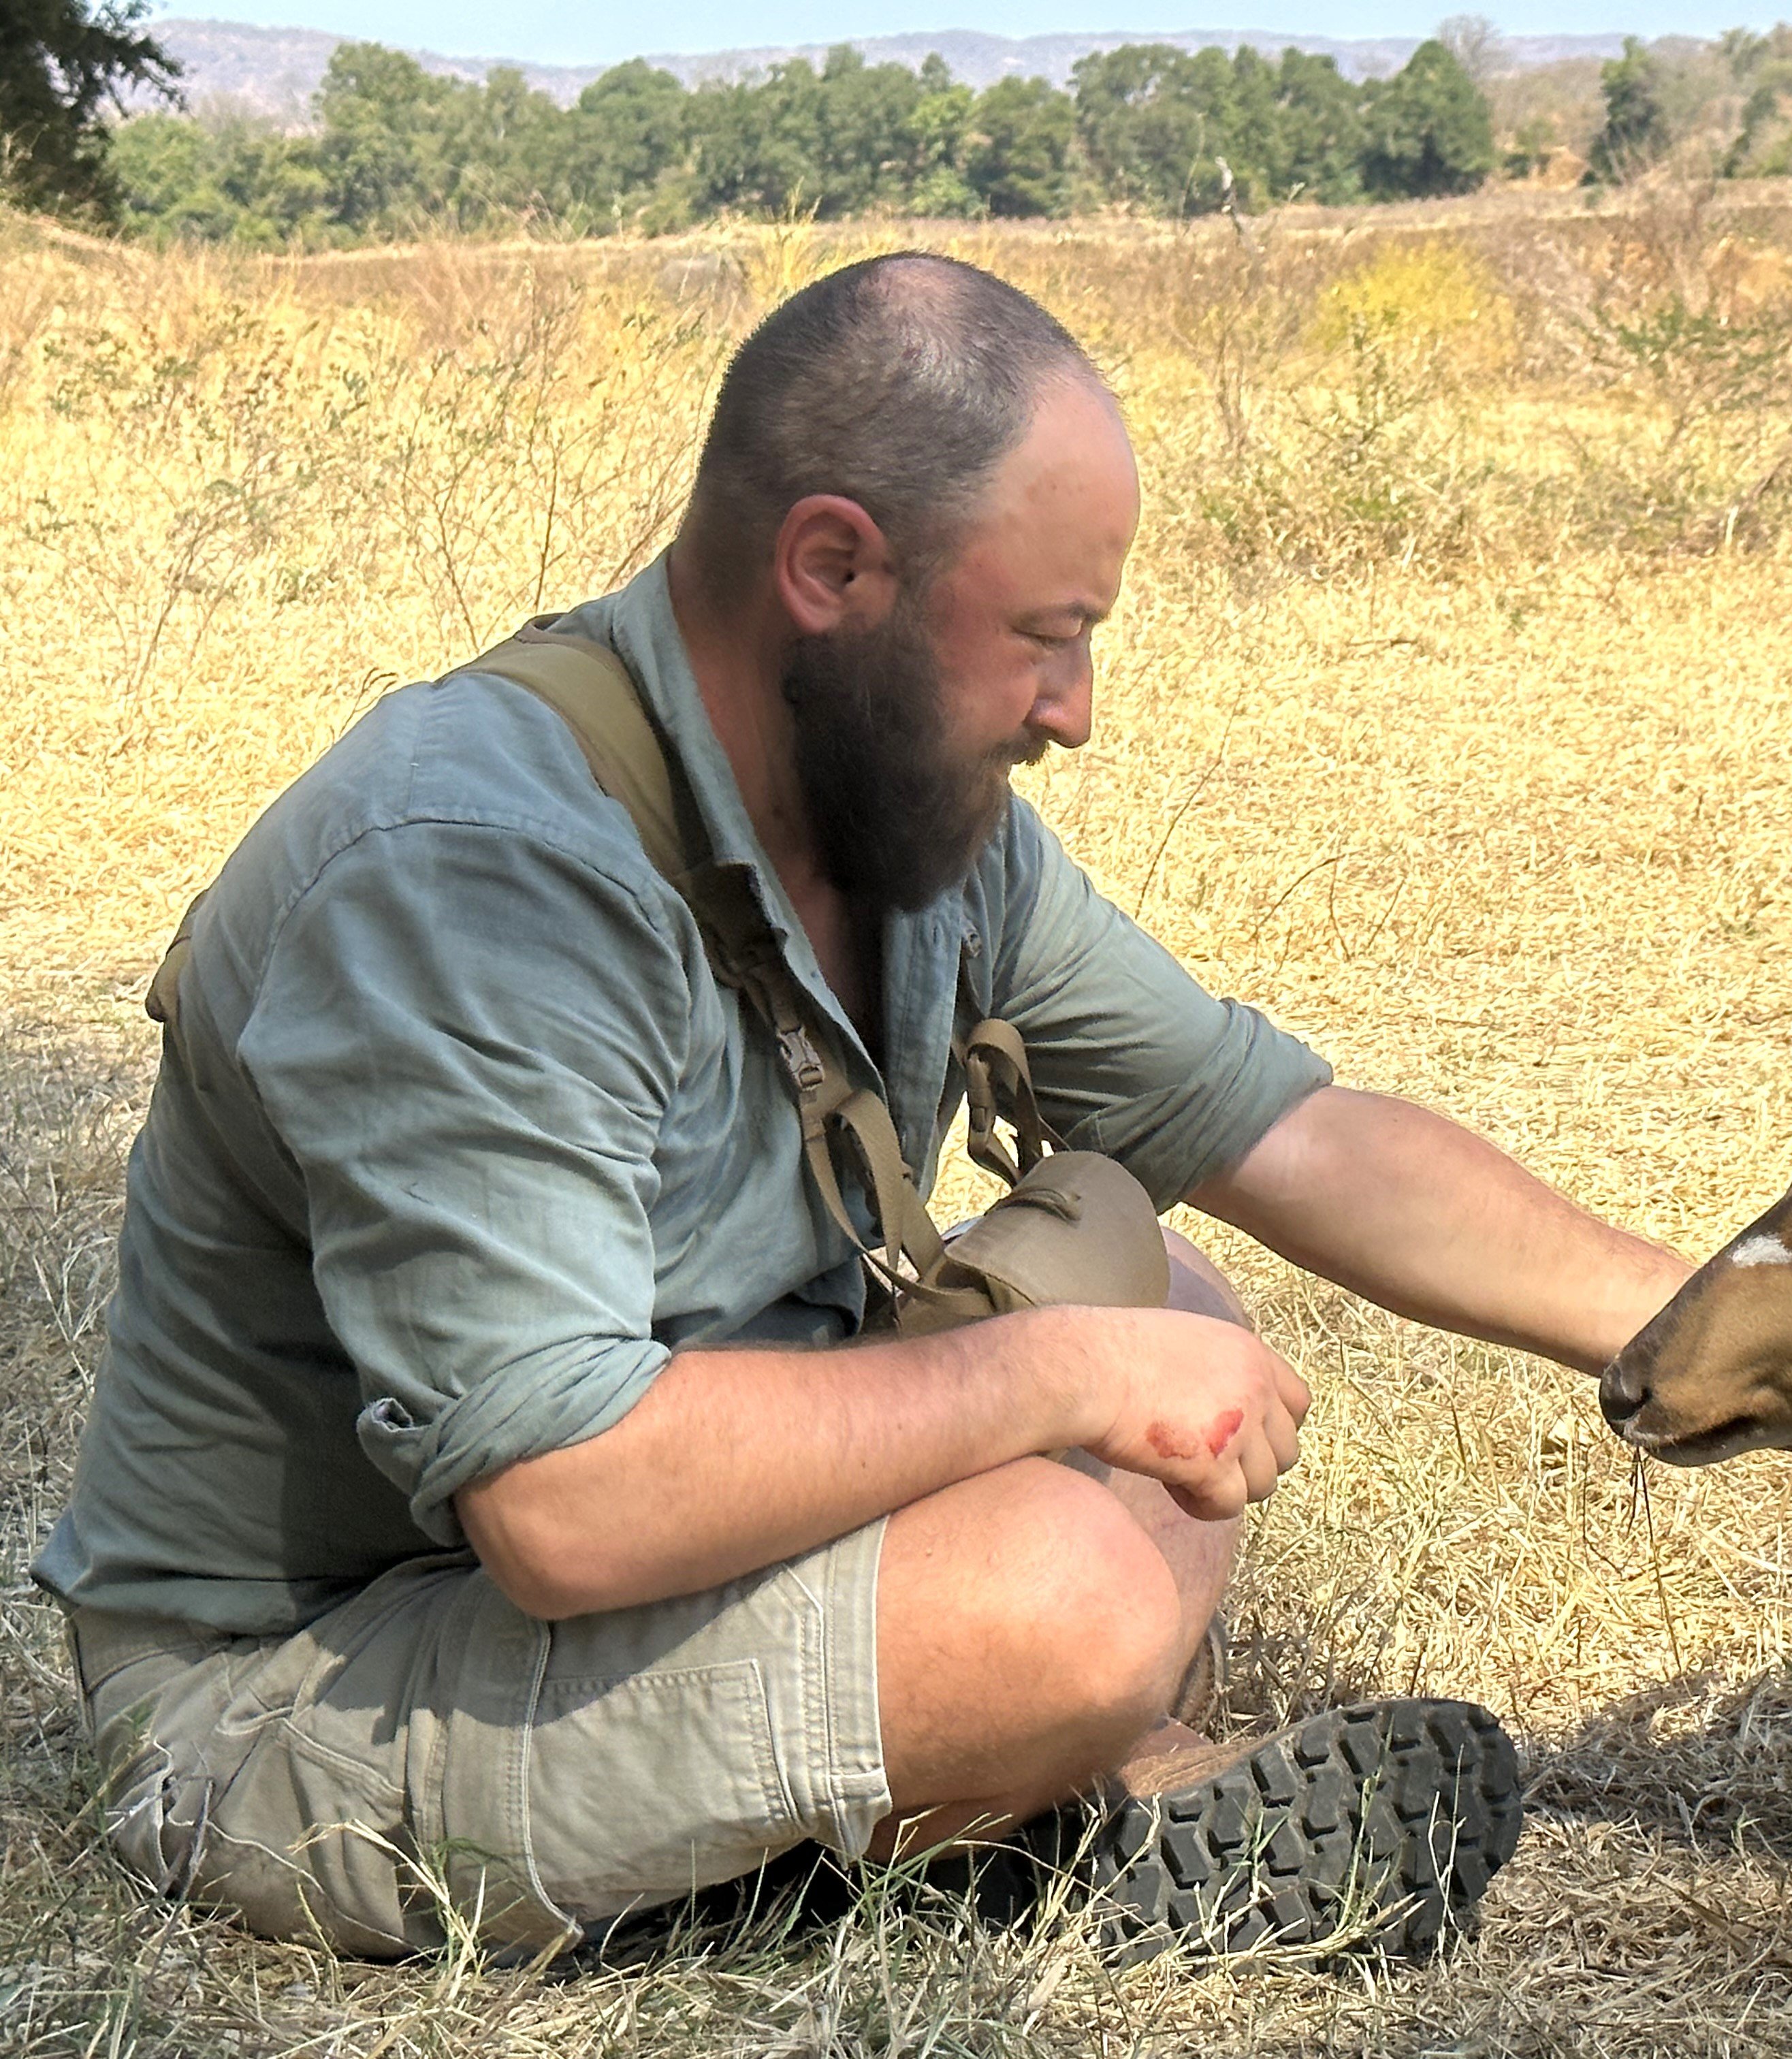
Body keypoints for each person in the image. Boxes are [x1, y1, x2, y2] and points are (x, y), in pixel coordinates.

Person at [33, 253, 1691, 1961]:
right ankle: (1022, 1795)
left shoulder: (896, 806)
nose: (1077, 711)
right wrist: (1059, 1376)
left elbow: (1295, 1140)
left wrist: (1738, 1321)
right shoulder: (475, 879)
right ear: (832, 566)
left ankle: (984, 1780)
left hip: (647, 1537)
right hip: (294, 1694)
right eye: (1045, 637)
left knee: (1174, 1294)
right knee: (1072, 1582)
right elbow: (564, 1497)